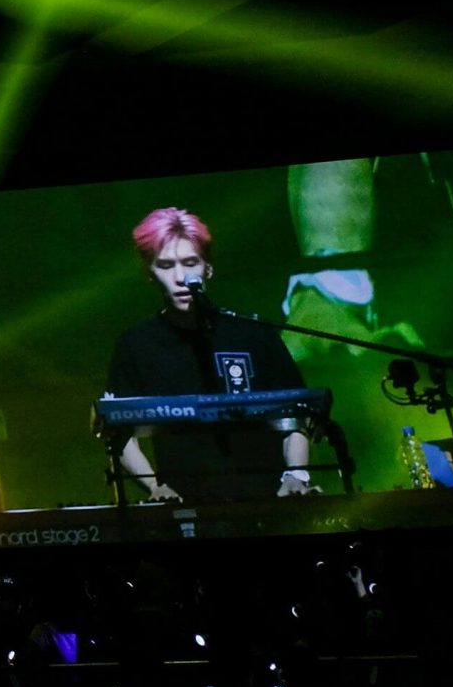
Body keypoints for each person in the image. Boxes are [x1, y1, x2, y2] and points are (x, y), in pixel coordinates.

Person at [104, 208, 316, 503]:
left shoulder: (254, 334)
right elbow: (119, 431)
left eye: (190, 263)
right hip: (185, 503)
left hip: (269, 500)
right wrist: (154, 486)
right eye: (165, 266)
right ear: (149, 273)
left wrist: (296, 476)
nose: (180, 277)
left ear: (208, 268)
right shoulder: (136, 344)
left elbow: (296, 415)